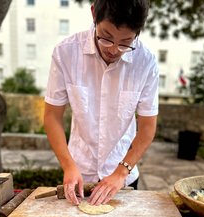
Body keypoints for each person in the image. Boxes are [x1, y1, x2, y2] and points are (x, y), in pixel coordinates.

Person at [44, 0, 159, 206]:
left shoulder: (146, 62)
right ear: (93, 14)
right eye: (106, 37)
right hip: (78, 174)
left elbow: (148, 127)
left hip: (124, 177)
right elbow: (52, 116)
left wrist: (120, 172)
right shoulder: (65, 52)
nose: (114, 49)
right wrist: (68, 166)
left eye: (125, 42)